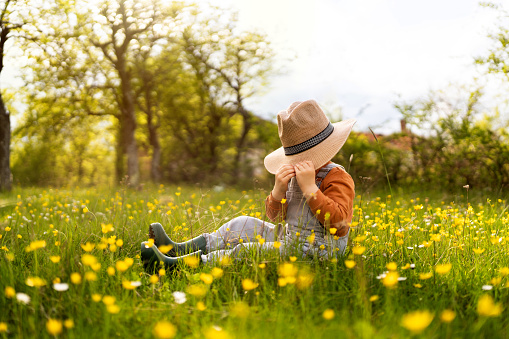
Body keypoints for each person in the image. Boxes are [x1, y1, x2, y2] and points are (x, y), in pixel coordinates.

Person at [141, 99, 356, 271]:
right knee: (240, 224)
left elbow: (339, 226)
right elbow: (276, 217)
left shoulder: (336, 177)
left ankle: (179, 266)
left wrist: (311, 189)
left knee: (246, 251)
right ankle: (177, 250)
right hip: (292, 239)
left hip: (319, 252)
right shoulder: (294, 173)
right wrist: (278, 191)